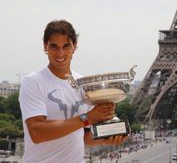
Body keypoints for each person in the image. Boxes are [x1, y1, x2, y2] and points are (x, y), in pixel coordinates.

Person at [19, 20, 128, 163]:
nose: (60, 53)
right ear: (45, 47)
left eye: (66, 46)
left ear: (75, 46)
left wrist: (106, 137)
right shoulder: (33, 82)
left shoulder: (83, 83)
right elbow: (37, 132)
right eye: (54, 46)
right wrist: (87, 118)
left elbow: (85, 136)